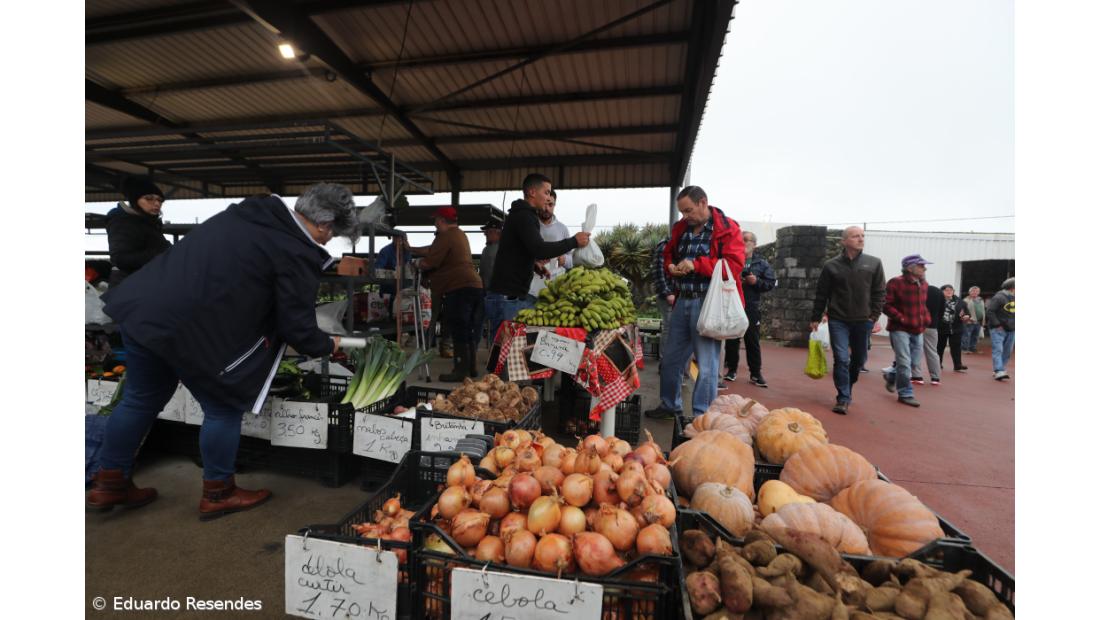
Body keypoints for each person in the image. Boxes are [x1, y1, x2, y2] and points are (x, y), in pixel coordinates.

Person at [89, 183, 358, 520]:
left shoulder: (246, 214)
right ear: (325, 224)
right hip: (189, 330)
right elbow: (296, 326)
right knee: (223, 407)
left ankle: (109, 482)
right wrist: (324, 344)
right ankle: (218, 492)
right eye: (333, 234)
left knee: (139, 399)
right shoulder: (296, 249)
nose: (328, 241)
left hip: (144, 311)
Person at [644, 186, 745, 420]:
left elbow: (734, 266)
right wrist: (670, 266)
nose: (685, 216)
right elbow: (669, 253)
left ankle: (702, 416)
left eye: (689, 210)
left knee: (707, 366)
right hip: (682, 302)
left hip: (709, 305)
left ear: (703, 203)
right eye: (682, 212)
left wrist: (696, 265)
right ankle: (670, 404)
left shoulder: (728, 229)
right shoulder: (681, 228)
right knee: (670, 359)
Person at [486, 174, 590, 341]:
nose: (548, 197)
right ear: (533, 192)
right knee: (506, 354)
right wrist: (573, 241)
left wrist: (533, 265)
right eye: (547, 192)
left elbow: (518, 251)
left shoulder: (523, 215)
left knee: (509, 352)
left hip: (509, 295)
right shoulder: (524, 216)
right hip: (507, 297)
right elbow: (539, 249)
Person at [809, 226, 886, 415]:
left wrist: (873, 316)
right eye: (855, 236)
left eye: (862, 236)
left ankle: (848, 385)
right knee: (841, 359)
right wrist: (815, 317)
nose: (860, 239)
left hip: (863, 320)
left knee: (859, 359)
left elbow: (879, 292)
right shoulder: (831, 265)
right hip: (838, 320)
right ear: (844, 241)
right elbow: (822, 293)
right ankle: (843, 398)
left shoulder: (874, 263)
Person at [414, 207, 485, 381]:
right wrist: (412, 248)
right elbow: (434, 251)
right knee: (469, 328)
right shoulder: (460, 234)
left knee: (459, 329)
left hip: (459, 287)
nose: (435, 224)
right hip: (474, 285)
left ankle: (460, 371)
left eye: (436, 220)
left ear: (441, 220)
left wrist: (417, 263)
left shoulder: (445, 236)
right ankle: (471, 367)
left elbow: (431, 260)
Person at [723, 230, 776, 387]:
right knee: (732, 339)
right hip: (732, 305)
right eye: (741, 239)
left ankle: (755, 373)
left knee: (752, 341)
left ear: (754, 244)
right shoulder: (730, 260)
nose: (743, 242)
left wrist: (756, 281)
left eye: (747, 240)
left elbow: (770, 283)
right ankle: (731, 370)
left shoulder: (762, 264)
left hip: (751, 307)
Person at [883, 255, 932, 407]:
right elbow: (885, 304)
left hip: (918, 329)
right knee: (904, 362)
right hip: (900, 329)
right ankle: (905, 393)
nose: (925, 268)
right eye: (921, 265)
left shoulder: (924, 284)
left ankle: (891, 376)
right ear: (910, 268)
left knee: (913, 362)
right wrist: (901, 318)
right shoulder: (895, 282)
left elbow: (922, 306)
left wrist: (926, 318)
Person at [106, 175, 171, 284]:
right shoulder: (123, 222)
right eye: (149, 198)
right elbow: (120, 259)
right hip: (129, 285)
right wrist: (162, 253)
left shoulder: (149, 222)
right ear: (135, 200)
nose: (156, 203)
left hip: (144, 281)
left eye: (160, 200)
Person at [527, 189, 574, 302]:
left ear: (554, 205)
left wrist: (564, 259)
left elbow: (572, 260)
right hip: (530, 288)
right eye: (545, 204)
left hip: (556, 289)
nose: (546, 208)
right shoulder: (530, 226)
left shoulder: (562, 229)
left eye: (550, 204)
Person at [913, 283, 944, 386]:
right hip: (932, 325)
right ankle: (935, 377)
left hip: (917, 324)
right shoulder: (938, 291)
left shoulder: (916, 290)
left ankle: (917, 376)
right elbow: (942, 311)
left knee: (916, 349)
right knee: (932, 351)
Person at [651, 236, 676, 359]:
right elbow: (658, 272)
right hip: (668, 295)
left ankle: (671, 361)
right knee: (669, 328)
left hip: (676, 294)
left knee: (674, 329)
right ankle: (665, 361)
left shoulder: (677, 246)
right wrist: (668, 293)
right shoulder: (664, 247)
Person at [987, 277, 1015, 381]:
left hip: (1012, 329)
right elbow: (990, 311)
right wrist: (997, 325)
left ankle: (1001, 369)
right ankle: (999, 370)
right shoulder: (998, 297)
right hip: (999, 329)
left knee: (1007, 351)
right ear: (1012, 288)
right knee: (998, 349)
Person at [937, 285, 969, 373]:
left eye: (951, 290)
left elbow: (966, 312)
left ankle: (958, 365)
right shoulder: (938, 301)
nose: (949, 291)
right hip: (941, 328)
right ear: (942, 291)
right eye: (947, 290)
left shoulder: (961, 302)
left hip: (956, 328)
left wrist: (967, 316)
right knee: (940, 346)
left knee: (956, 347)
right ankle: (938, 363)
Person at [479, 219, 503, 290]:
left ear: (498, 232)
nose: (485, 234)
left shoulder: (503, 249)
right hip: (488, 292)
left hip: (497, 292)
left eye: (488, 231)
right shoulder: (486, 249)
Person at [962, 286, 985, 353]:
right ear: (969, 292)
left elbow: (983, 310)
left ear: (979, 292)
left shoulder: (980, 299)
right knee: (967, 335)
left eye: (977, 291)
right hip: (969, 321)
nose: (975, 292)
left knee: (975, 336)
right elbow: (962, 311)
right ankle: (964, 349)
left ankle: (973, 348)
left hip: (978, 321)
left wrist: (983, 322)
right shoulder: (965, 300)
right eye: (973, 291)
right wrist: (966, 319)